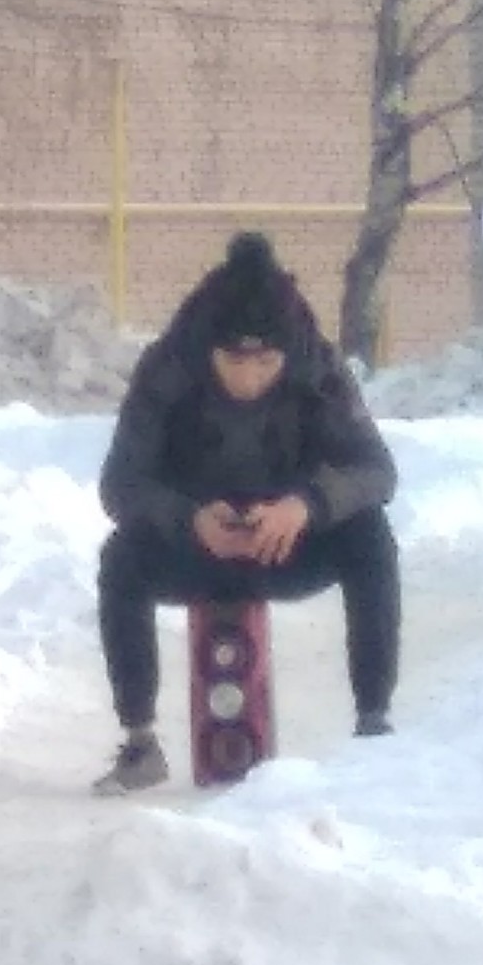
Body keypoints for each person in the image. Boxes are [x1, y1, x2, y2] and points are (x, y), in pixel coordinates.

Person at [93, 230, 400, 795]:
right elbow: (120, 485)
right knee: (120, 559)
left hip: (287, 542)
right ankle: (139, 741)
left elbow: (377, 471)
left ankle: (374, 723)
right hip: (194, 545)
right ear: (212, 347)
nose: (251, 375)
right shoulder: (167, 368)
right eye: (236, 358)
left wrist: (306, 506)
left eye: (266, 360)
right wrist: (188, 519)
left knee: (371, 536)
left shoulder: (317, 368)